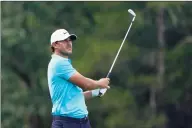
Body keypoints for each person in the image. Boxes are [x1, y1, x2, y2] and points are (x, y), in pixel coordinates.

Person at [47, 29, 110, 128]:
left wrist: (96, 92)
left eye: (70, 40)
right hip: (67, 123)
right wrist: (100, 83)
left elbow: (75, 97)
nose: (69, 43)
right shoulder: (59, 63)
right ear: (55, 45)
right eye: (65, 41)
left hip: (81, 122)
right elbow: (86, 84)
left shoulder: (64, 63)